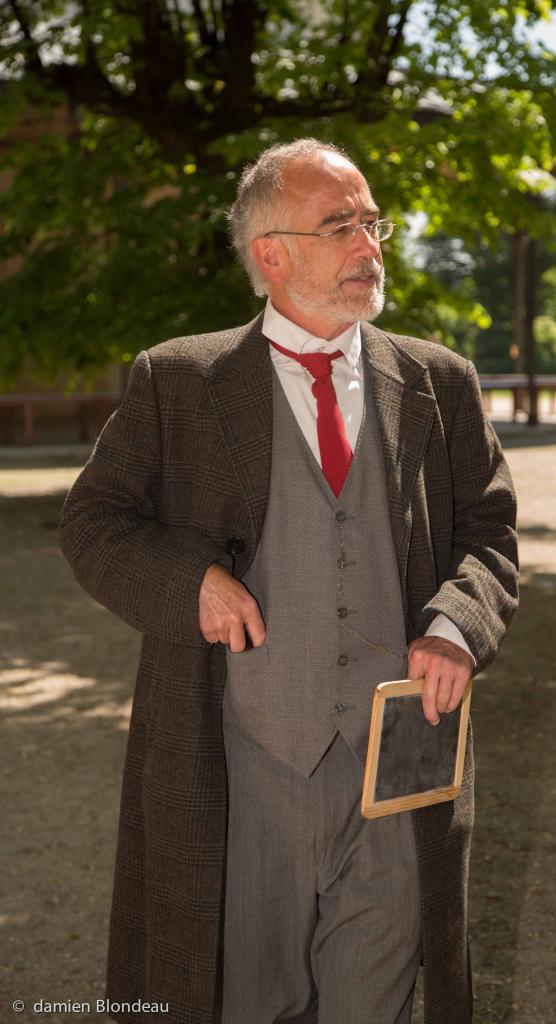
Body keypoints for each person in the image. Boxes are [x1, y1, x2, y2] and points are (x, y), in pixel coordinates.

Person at [59, 138, 518, 1024]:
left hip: (398, 773)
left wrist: (454, 624)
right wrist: (187, 576)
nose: (369, 248)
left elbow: (488, 533)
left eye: (372, 223)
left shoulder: (438, 383)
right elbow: (94, 523)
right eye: (339, 226)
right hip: (237, 774)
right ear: (269, 254)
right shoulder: (179, 381)